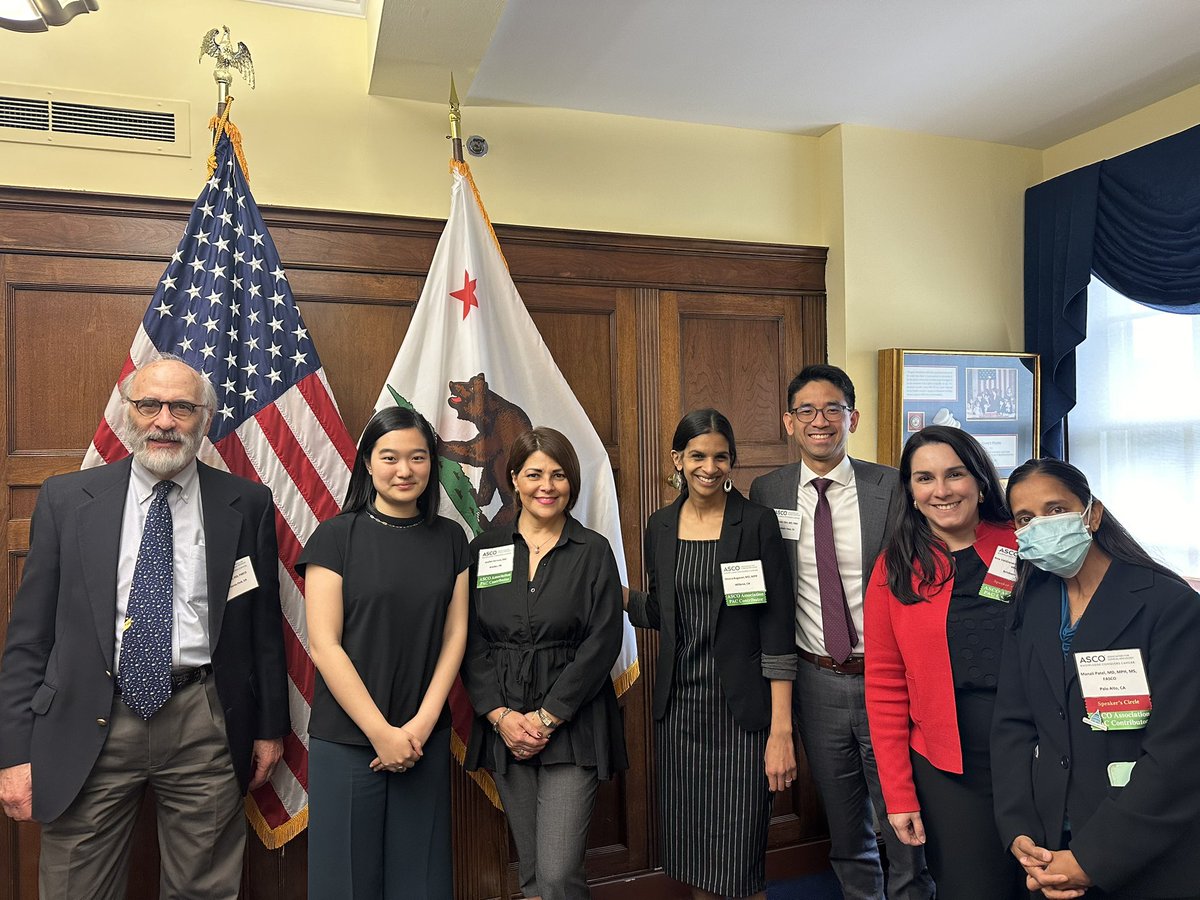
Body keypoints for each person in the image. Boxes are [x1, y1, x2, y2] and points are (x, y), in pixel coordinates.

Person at [0, 355, 288, 899]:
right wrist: (14, 753)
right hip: (86, 714)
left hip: (204, 719)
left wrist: (270, 727)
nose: (164, 420)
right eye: (150, 404)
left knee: (204, 889)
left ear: (204, 418)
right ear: (128, 412)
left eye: (182, 406)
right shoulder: (66, 500)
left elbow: (263, 626)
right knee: (74, 889)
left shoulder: (245, 504)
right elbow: (29, 638)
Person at [749, 364, 932, 900]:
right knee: (846, 822)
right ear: (789, 422)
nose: (820, 421)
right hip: (816, 682)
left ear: (852, 417)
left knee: (902, 816)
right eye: (806, 410)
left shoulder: (892, 487)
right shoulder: (769, 490)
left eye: (832, 409)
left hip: (886, 678)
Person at [993, 458, 1200, 900]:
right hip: (1049, 846)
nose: (1041, 525)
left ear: (1093, 513)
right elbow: (1012, 723)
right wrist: (1020, 831)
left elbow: (1178, 755)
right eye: (1026, 518)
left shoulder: (1170, 606)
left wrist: (1091, 859)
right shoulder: (1032, 603)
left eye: (1055, 510)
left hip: (1140, 847)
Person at [299, 406, 468, 899]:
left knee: (423, 881)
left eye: (418, 457)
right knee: (344, 885)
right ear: (368, 464)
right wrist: (381, 733)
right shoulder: (335, 537)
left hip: (423, 739)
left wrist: (418, 726)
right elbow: (324, 644)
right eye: (390, 457)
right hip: (348, 740)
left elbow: (454, 637)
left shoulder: (451, 539)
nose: (405, 469)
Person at [628, 408, 796, 900]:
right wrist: (613, 593)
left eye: (721, 457)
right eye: (697, 455)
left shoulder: (758, 523)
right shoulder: (660, 526)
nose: (709, 466)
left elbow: (777, 627)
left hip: (742, 717)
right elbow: (663, 611)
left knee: (739, 863)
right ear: (677, 459)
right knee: (699, 858)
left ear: (732, 462)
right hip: (680, 715)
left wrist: (781, 730)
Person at [462, 426, 627, 900]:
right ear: (514, 478)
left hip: (572, 727)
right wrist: (501, 717)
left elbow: (602, 641)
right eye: (534, 474)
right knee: (532, 872)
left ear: (571, 483)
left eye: (558, 475)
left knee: (557, 873)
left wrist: (545, 717)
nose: (546, 486)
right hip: (504, 724)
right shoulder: (484, 550)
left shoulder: (592, 551)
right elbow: (469, 640)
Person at [863, 426, 1025, 899]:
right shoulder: (893, 568)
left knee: (1046, 881)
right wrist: (897, 795)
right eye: (924, 478)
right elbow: (885, 687)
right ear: (910, 493)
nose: (942, 490)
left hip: (1037, 750)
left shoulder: (1023, 544)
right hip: (950, 766)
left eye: (955, 474)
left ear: (978, 480)